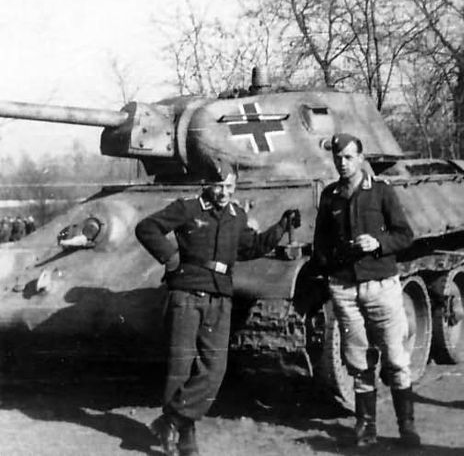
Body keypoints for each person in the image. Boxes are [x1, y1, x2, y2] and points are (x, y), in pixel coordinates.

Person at [135, 159, 300, 456]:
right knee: (181, 367)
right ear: (206, 184)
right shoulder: (188, 208)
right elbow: (147, 228)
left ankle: (171, 419)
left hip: (220, 297)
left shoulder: (236, 215)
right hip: (186, 295)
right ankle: (183, 439)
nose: (224, 192)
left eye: (230, 187)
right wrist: (171, 258)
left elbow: (251, 247)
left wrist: (281, 227)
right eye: (219, 186)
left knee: (214, 369)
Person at [313, 133, 420, 448]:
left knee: (397, 359)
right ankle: (366, 427)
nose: (342, 163)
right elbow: (320, 243)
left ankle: (407, 426)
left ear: (360, 158)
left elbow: (405, 235)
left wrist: (379, 244)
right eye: (338, 158)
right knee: (357, 360)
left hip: (380, 287)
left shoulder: (382, 193)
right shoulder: (330, 196)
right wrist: (332, 262)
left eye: (348, 157)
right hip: (345, 290)